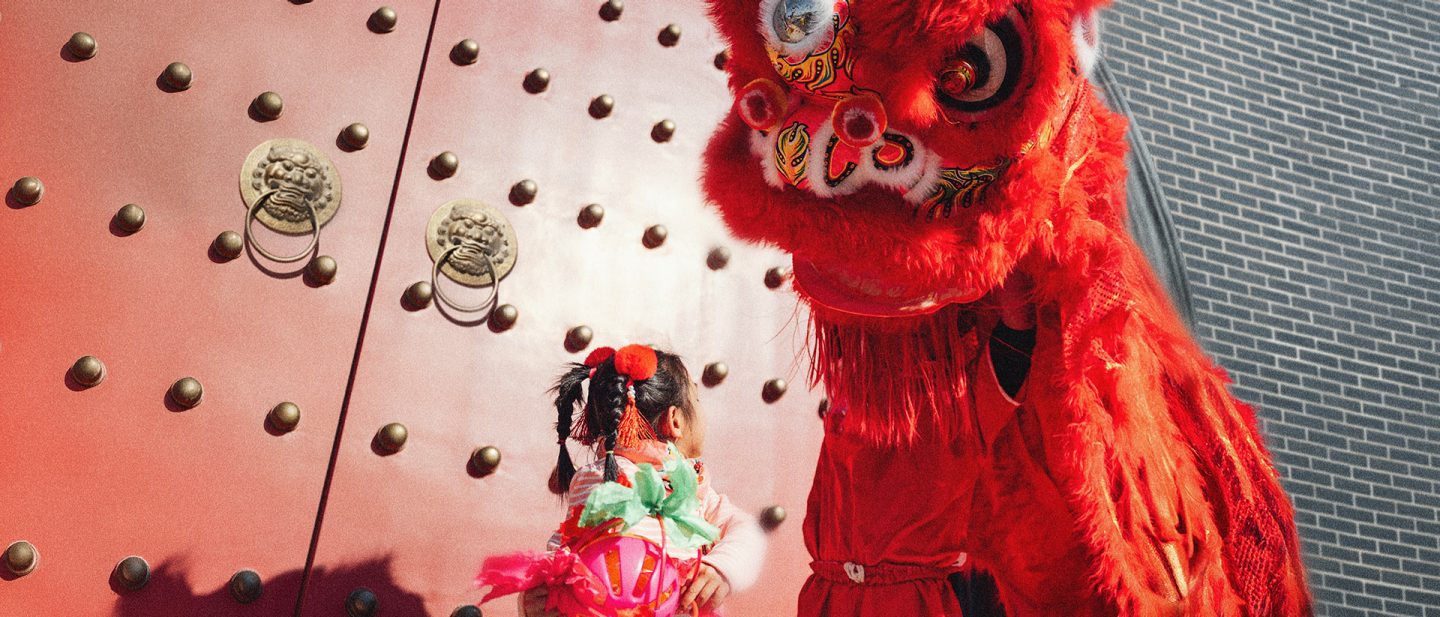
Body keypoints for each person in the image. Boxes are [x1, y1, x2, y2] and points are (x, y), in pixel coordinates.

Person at [476, 344, 765, 617]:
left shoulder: (681, 485)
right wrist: (722, 568)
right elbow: (746, 529)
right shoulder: (609, 481)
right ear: (676, 420)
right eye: (697, 400)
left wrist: (536, 602)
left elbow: (560, 556)